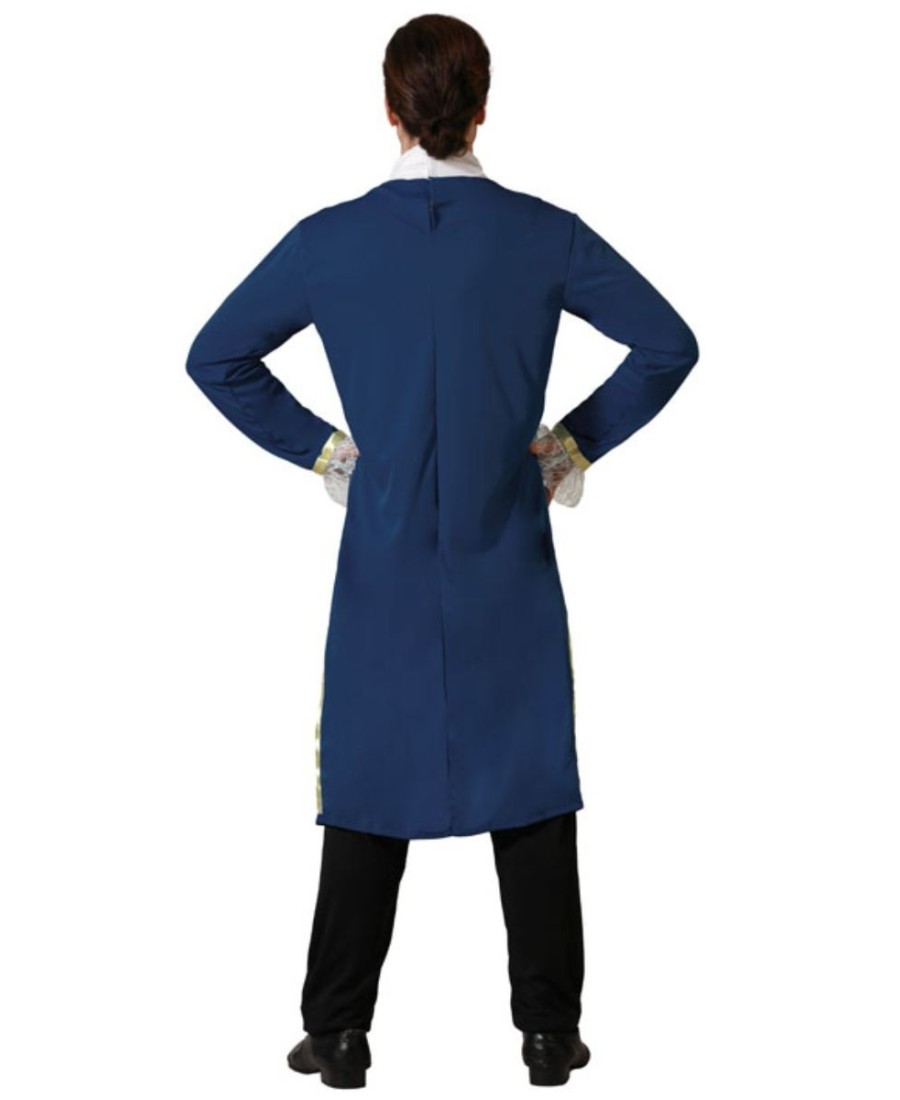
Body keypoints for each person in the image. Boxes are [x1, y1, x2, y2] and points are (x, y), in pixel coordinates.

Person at [185, 13, 699, 1089]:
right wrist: (569, 445)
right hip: (505, 549)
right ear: (483, 107)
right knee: (530, 783)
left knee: (368, 787)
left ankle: (338, 1031)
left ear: (389, 108)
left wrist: (326, 450)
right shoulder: (543, 234)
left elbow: (217, 356)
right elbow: (668, 343)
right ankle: (548, 1034)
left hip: (383, 554)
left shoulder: (327, 242)